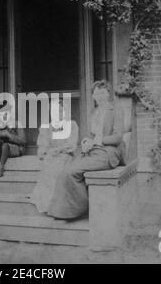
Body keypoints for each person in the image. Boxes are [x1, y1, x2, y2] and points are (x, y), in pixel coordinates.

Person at [47, 80, 124, 220]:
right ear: (93, 96)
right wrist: (85, 141)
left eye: (103, 92)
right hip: (92, 151)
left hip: (108, 153)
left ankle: (75, 211)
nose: (100, 96)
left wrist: (96, 141)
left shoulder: (116, 111)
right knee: (65, 171)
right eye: (96, 93)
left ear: (108, 94)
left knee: (72, 172)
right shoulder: (93, 113)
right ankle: (67, 210)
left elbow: (118, 138)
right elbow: (90, 135)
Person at [30, 99, 79, 214]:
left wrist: (59, 149)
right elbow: (43, 146)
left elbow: (71, 144)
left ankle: (58, 206)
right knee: (49, 167)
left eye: (61, 111)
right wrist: (47, 151)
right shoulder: (46, 127)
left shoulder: (71, 125)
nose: (58, 114)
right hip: (52, 156)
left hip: (66, 155)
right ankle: (47, 205)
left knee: (58, 170)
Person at [0, 103, 26, 177]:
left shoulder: (17, 124)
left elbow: (23, 141)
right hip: (3, 150)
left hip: (17, 149)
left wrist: (9, 135)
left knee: (5, 145)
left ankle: (0, 167)